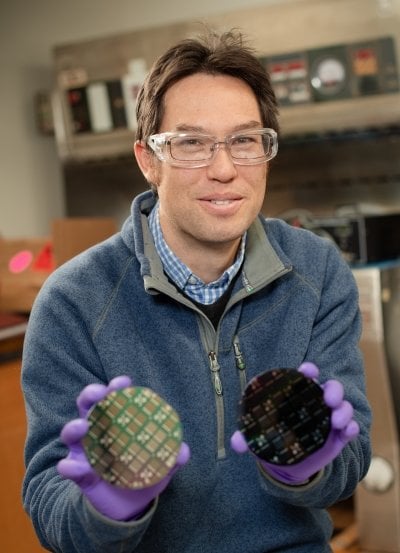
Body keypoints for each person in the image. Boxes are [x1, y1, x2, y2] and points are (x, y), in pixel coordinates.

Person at [21, 29, 371, 553]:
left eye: (245, 140)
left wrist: (308, 467)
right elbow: (51, 508)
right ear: (148, 160)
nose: (225, 169)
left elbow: (352, 459)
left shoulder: (317, 273)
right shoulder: (73, 302)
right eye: (190, 143)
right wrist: (106, 504)